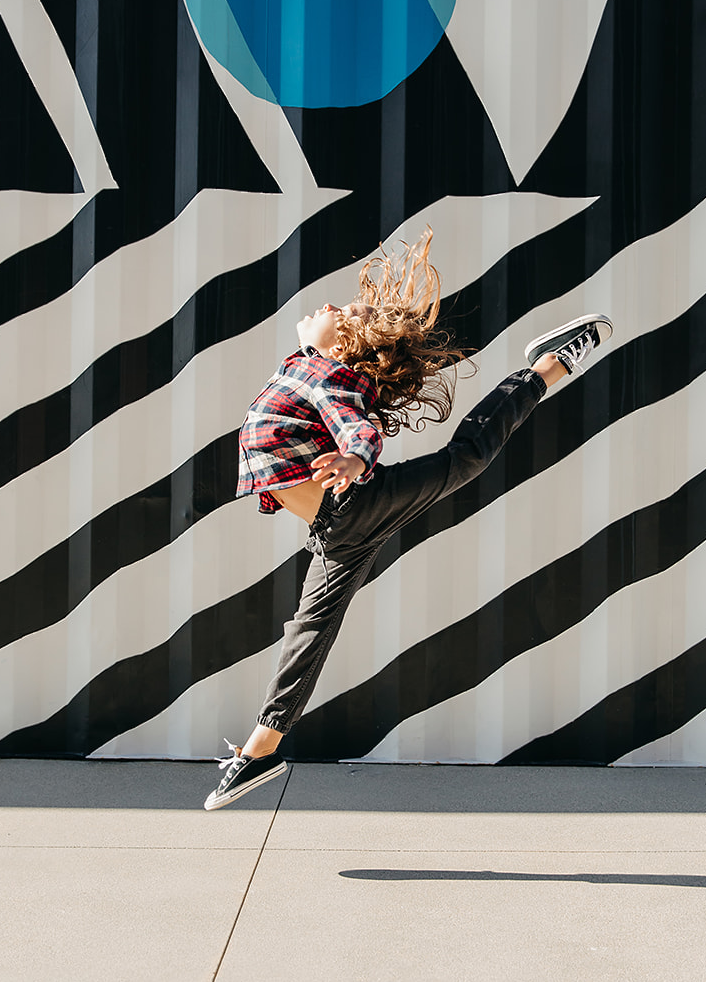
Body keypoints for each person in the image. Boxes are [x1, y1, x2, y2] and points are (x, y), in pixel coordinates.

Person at [205, 228, 612, 809]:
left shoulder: (330, 377)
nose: (326, 305)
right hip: (335, 530)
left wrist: (352, 456)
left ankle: (546, 368)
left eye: (339, 310)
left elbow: (356, 425)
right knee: (309, 629)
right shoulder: (306, 365)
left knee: (464, 460)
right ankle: (258, 755)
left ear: (342, 343)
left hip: (357, 504)